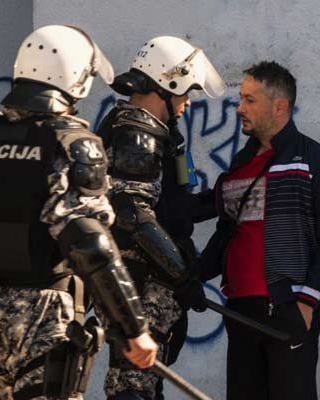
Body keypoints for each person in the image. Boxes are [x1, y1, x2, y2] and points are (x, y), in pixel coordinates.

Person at [0, 25, 158, 400]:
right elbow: (90, 244)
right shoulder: (69, 145)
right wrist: (134, 327)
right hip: (46, 320)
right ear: (76, 78)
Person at [200, 61, 320, 400]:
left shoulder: (318, 161)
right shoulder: (241, 163)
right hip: (239, 310)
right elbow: (227, 232)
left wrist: (308, 301)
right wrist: (190, 277)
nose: (240, 108)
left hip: (288, 307)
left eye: (250, 100)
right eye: (241, 98)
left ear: (278, 106)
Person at [95, 36, 226, 400]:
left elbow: (168, 207)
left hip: (148, 280)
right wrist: (181, 275)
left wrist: (220, 199)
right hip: (139, 283)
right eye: (185, 91)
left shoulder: (150, 132)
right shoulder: (138, 135)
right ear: (167, 83)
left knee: (145, 385)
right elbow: (132, 214)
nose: (186, 102)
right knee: (132, 387)